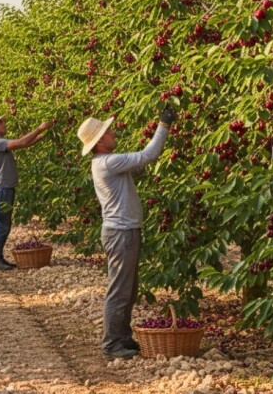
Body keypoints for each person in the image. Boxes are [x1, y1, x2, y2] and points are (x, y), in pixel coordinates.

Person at [77, 105, 176, 360]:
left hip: (123, 231)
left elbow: (139, 166)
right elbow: (149, 155)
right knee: (120, 290)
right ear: (99, 142)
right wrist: (163, 126)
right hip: (122, 233)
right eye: (107, 132)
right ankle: (112, 343)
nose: (112, 133)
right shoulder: (108, 161)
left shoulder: (107, 163)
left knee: (128, 289)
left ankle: (122, 337)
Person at [0, 113, 50, 271]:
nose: (4, 124)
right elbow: (21, 142)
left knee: (4, 224)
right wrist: (39, 129)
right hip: (2, 189)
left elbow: (24, 144)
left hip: (5, 188)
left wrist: (41, 136)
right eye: (1, 123)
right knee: (1, 224)